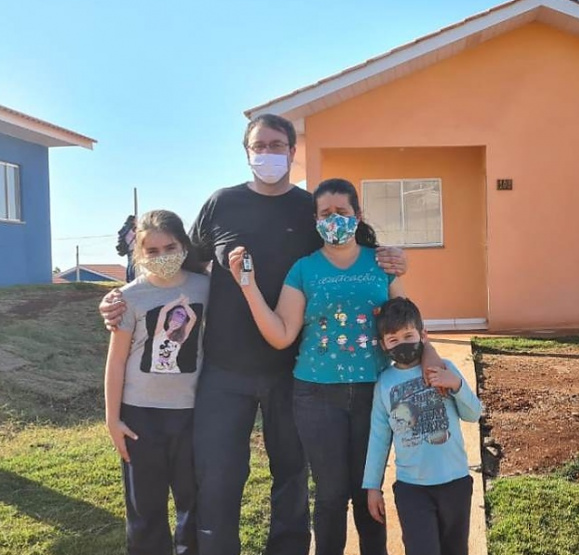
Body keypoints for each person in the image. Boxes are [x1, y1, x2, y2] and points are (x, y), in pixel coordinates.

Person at [100, 114, 409, 555]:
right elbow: (180, 264)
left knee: (291, 476)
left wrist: (393, 257)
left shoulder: (309, 209)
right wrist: (122, 296)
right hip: (224, 371)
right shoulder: (221, 204)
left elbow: (351, 244)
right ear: (246, 152)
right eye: (259, 145)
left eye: (276, 145)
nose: (268, 153)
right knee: (219, 476)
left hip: (293, 371)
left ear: (292, 151)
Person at [227, 178, 443, 555]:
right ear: (315, 219)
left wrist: (432, 358)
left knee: (367, 494)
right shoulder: (304, 270)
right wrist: (248, 287)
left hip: (375, 394)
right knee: (329, 497)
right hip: (315, 396)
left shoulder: (381, 264)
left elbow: (407, 326)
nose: (334, 219)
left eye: (342, 212)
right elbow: (281, 334)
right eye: (325, 213)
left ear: (357, 216)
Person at [104, 209, 208, 555]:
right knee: (145, 507)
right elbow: (117, 361)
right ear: (139, 253)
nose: (162, 257)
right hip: (140, 417)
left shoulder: (205, 288)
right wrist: (112, 419)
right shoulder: (129, 297)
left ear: (183, 245)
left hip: (191, 413)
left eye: (170, 247)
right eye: (152, 251)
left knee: (192, 501)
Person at [363, 297, 481, 555]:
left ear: (422, 334)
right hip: (411, 489)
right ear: (384, 345)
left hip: (455, 483)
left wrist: (456, 385)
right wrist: (373, 486)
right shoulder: (384, 384)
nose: (403, 344)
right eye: (393, 339)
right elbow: (378, 438)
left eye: (408, 335)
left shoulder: (443, 368)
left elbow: (474, 414)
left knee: (455, 549)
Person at [117, 214, 137, 282]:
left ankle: (129, 278)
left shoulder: (125, 228)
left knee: (130, 264)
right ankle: (131, 278)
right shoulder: (131, 229)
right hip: (132, 248)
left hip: (129, 248)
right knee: (132, 265)